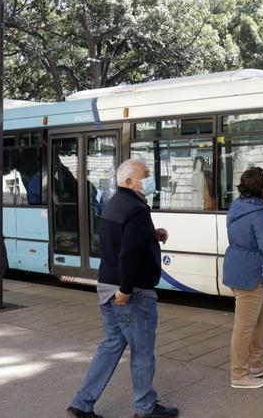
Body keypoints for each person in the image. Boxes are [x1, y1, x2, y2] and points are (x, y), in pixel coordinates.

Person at [68, 159, 178, 418]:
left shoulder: (114, 204)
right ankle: (145, 408)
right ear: (129, 182)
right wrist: (126, 290)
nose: (150, 177)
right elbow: (127, 253)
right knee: (142, 352)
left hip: (106, 286)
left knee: (110, 346)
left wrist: (153, 234)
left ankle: (82, 403)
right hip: (131, 292)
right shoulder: (137, 209)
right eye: (146, 174)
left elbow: (120, 242)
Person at [222, 167, 263, 389]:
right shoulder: (259, 212)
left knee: (259, 318)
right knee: (245, 325)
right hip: (251, 272)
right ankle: (238, 375)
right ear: (261, 188)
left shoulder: (237, 206)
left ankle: (257, 363)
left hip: (236, 265)